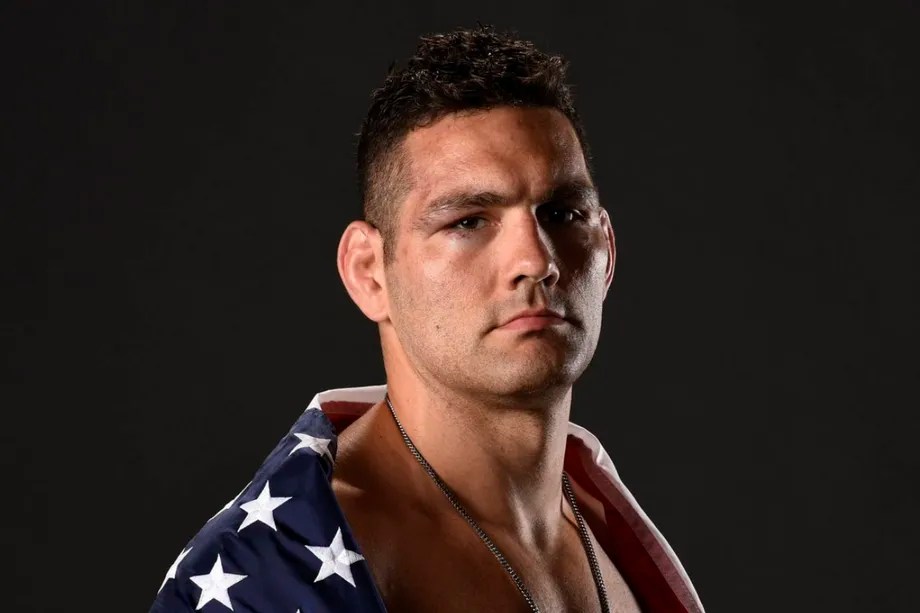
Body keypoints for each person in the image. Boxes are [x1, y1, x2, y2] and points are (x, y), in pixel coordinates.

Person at [150, 25, 705, 612]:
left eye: (563, 213)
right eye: (468, 221)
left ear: (607, 251)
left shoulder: (614, 538)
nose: (536, 261)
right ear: (369, 273)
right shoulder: (266, 572)